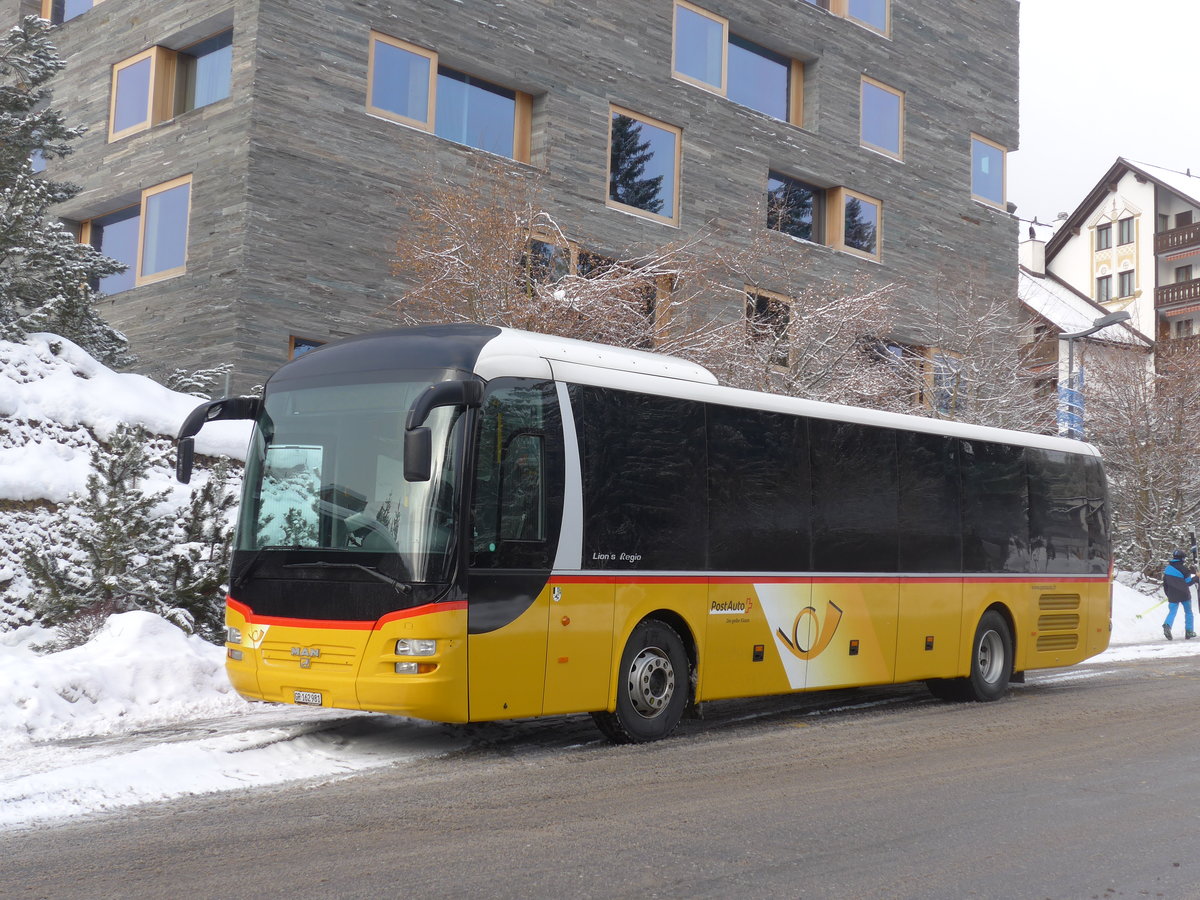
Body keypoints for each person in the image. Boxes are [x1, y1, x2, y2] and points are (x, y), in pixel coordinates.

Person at [1162, 549, 1198, 640]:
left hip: (1172, 595)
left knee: (1172, 612)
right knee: (1188, 612)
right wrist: (1197, 577)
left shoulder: (1167, 569)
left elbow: (1165, 584)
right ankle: (1189, 631)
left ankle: (1167, 625)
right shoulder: (1184, 569)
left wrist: (1168, 594)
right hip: (1184, 594)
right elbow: (1188, 582)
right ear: (1182, 558)